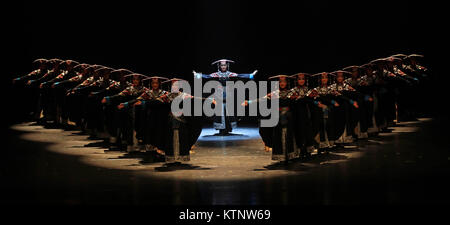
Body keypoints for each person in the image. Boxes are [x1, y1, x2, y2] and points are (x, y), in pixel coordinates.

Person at [193, 59, 257, 135]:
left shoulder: (230, 74)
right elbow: (207, 76)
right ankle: (221, 129)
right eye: (222, 65)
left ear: (227, 66)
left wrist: (251, 75)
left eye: (224, 65)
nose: (223, 66)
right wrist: (197, 74)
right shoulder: (217, 74)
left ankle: (228, 128)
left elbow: (240, 75)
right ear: (220, 66)